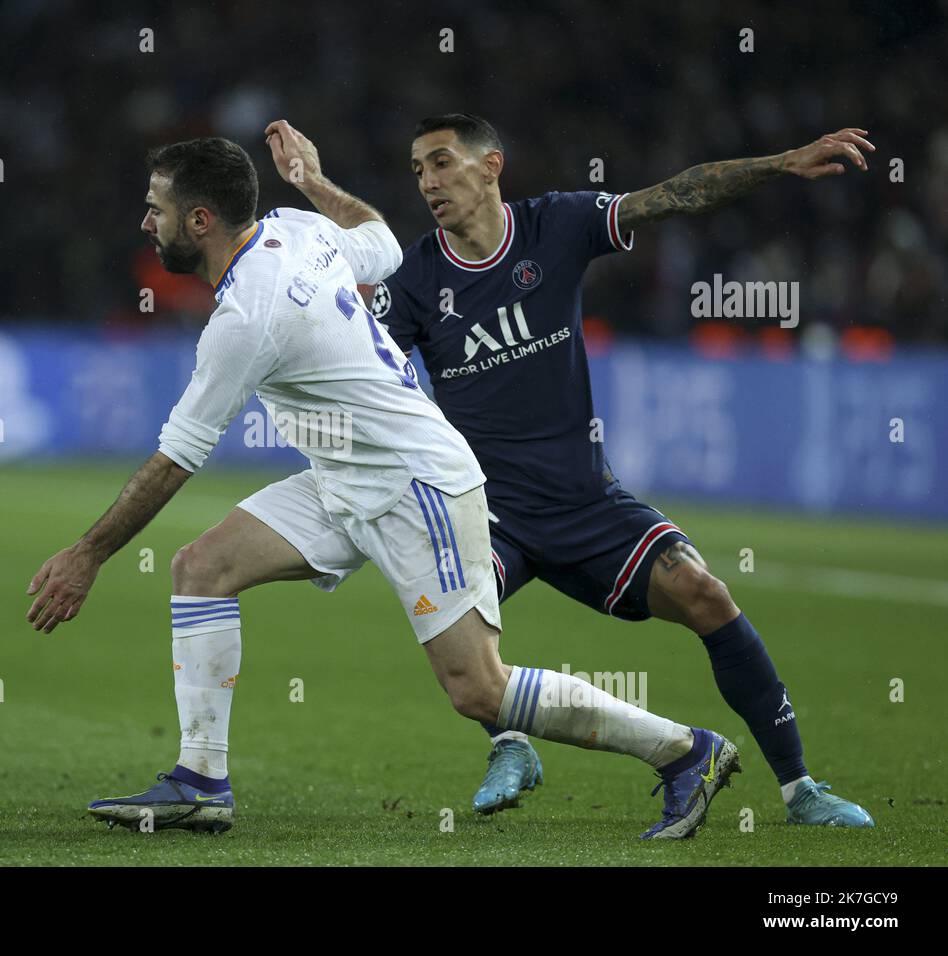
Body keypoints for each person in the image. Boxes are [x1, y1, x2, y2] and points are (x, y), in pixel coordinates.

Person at [24, 124, 739, 840]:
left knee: (477, 689)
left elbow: (177, 457)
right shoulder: (296, 228)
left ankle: (683, 751)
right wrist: (312, 179)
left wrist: (87, 555)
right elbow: (383, 241)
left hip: (412, 482)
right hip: (343, 477)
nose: (147, 222)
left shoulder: (246, 316)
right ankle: (201, 779)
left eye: (156, 209)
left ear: (200, 221)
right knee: (200, 568)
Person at [371, 112, 874, 828]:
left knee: (705, 594)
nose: (428, 181)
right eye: (418, 168)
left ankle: (801, 790)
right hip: (485, 509)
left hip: (584, 501)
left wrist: (783, 162)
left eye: (443, 162)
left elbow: (676, 194)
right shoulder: (416, 277)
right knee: (455, 646)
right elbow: (366, 371)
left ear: (491, 166)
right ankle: (511, 742)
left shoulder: (557, 226)